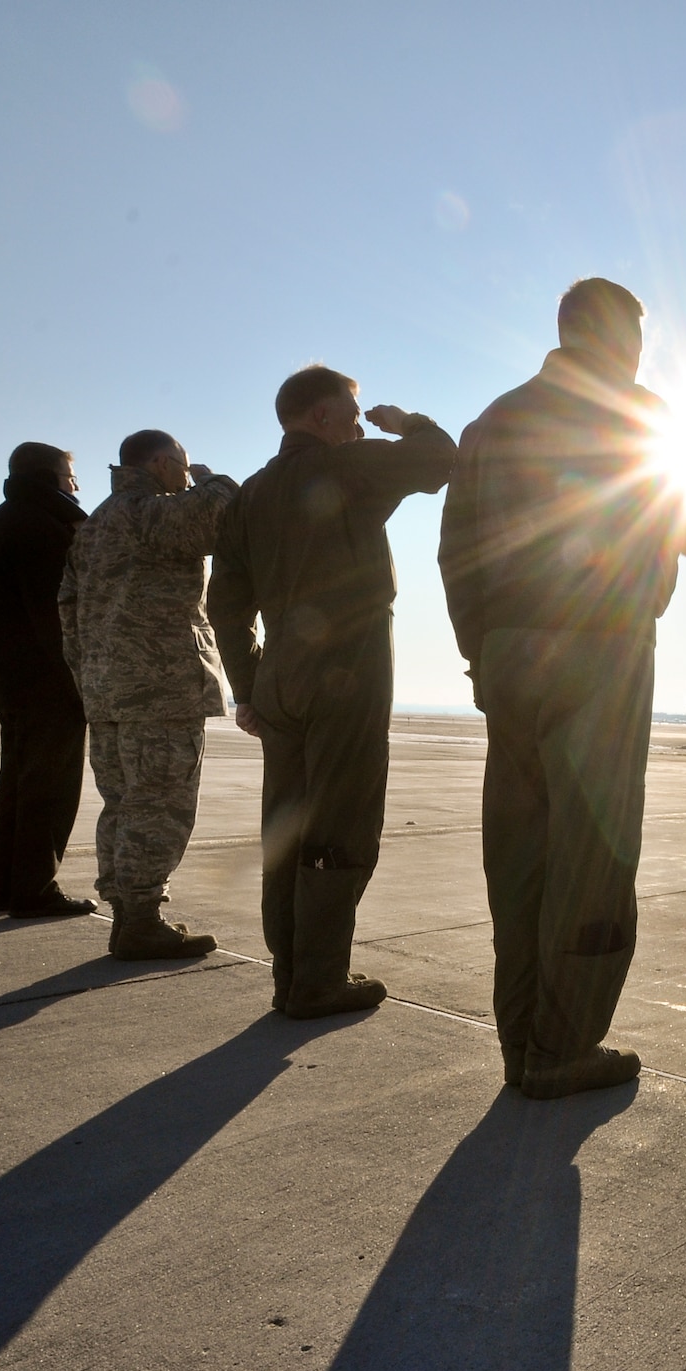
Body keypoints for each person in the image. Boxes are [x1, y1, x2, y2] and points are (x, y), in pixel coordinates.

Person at [439, 278, 686, 1098]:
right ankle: (563, 1047)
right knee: (593, 856)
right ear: (626, 339)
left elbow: (455, 551)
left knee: (521, 853)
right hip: (602, 645)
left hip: (507, 651)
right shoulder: (642, 415)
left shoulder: (494, 420)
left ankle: (523, 1043)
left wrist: (483, 653)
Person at [211, 367, 455, 1018]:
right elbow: (441, 460)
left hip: (278, 676)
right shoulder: (348, 469)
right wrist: (404, 422)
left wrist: (249, 686)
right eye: (349, 411)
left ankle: (291, 976)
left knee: (285, 827)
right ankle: (319, 982)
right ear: (319, 416)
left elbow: (225, 605)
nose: (357, 421)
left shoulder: (250, 496)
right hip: (347, 667)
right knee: (340, 822)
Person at [59, 430, 238, 961]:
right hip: (158, 689)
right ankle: (140, 919)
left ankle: (128, 914)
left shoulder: (93, 526)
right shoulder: (147, 512)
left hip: (107, 690)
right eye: (179, 466)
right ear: (161, 463)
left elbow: (67, 611)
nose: (184, 475)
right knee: (159, 805)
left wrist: (90, 675)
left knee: (123, 803)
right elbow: (222, 515)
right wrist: (211, 480)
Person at [0, 442, 96, 919]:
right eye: (69, 474)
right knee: (50, 787)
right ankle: (35, 888)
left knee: (18, 785)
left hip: (9, 677)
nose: (75, 484)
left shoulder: (1, 523)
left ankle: (10, 884)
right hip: (48, 679)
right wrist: (77, 680)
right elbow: (56, 617)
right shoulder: (43, 527)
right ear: (50, 476)